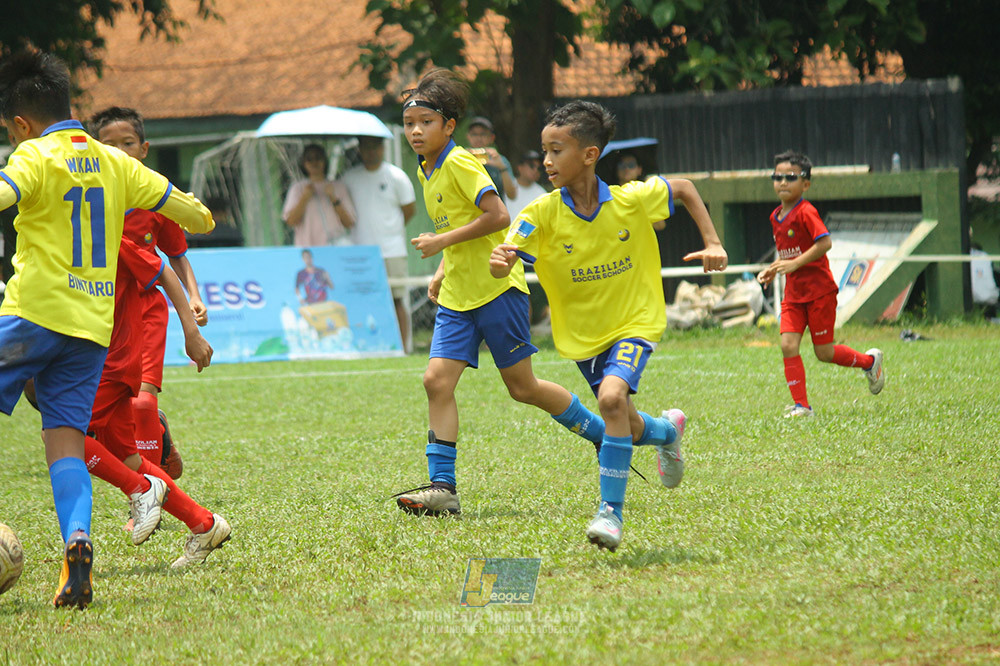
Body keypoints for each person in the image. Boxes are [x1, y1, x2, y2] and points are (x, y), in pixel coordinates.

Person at [392, 70, 672, 522]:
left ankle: (602, 432)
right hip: (459, 297)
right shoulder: (427, 169)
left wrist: (442, 244)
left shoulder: (460, 163)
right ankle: (443, 488)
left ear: (449, 126)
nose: (416, 132)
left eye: (426, 122)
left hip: (497, 291)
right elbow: (458, 225)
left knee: (522, 388)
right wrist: (445, 267)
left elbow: (498, 216)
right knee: (435, 381)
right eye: (409, 124)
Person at [0, 51, 214, 609]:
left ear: (20, 124)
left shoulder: (33, 154)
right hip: (91, 331)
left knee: (78, 436)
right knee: (66, 443)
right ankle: (78, 544)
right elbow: (195, 215)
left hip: (33, 315)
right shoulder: (116, 164)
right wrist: (197, 213)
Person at [490, 100, 729, 551]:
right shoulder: (539, 213)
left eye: (556, 150)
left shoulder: (629, 199)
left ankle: (610, 514)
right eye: (544, 150)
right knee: (626, 423)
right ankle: (668, 431)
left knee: (611, 399)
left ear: (589, 155)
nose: (546, 161)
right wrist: (501, 260)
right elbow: (508, 253)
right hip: (585, 338)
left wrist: (713, 242)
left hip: (635, 322)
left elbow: (683, 188)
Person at [91, 105, 206, 479]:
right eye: (109, 145)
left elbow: (176, 255)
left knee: (141, 403)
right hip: (100, 310)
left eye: (127, 143)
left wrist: (194, 297)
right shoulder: (88, 198)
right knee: (114, 411)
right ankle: (157, 435)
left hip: (146, 310)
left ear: (143, 149)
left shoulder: (157, 196)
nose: (119, 151)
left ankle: (150, 492)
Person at [756, 150, 885, 418]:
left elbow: (824, 243)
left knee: (823, 352)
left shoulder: (806, 212)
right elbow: (789, 253)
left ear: (806, 184)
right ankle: (802, 407)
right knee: (788, 345)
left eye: (790, 177)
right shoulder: (774, 217)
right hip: (794, 295)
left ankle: (869, 362)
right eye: (777, 177)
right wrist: (774, 269)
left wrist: (794, 264)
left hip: (819, 293)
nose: (782, 182)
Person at [342, 135, 417, 350]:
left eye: (376, 147)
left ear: (383, 148)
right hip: (361, 251)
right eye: (366, 147)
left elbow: (409, 210)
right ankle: (369, 346)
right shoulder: (349, 178)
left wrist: (391, 230)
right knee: (363, 301)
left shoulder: (396, 176)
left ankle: (402, 348)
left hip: (392, 250)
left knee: (396, 300)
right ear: (360, 150)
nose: (371, 152)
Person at [282, 143, 356, 247]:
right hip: (307, 250)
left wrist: (333, 198)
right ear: (303, 163)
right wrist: (304, 198)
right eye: (309, 159)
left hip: (334, 248)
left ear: (325, 160)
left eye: (318, 158)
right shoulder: (297, 188)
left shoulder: (339, 187)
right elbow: (290, 221)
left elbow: (349, 223)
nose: (314, 162)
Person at [465, 116, 517, 202]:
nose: (478, 138)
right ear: (468, 136)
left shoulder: (499, 159)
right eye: (474, 134)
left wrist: (501, 168)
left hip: (496, 208)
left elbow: (512, 195)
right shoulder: (462, 157)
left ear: (492, 138)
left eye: (483, 134)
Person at [615, 151, 665, 231]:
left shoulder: (646, 191)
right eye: (622, 165)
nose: (626, 169)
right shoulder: (612, 193)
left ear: (639, 170)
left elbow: (660, 225)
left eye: (631, 165)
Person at [504, 150, 547, 220]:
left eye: (539, 168)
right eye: (531, 166)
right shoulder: (507, 186)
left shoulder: (542, 194)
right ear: (520, 167)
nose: (535, 170)